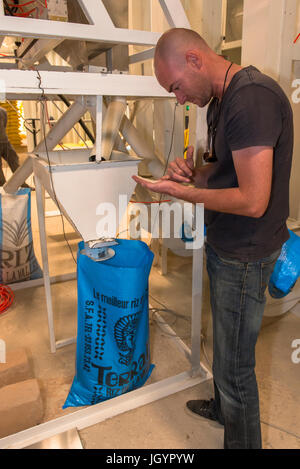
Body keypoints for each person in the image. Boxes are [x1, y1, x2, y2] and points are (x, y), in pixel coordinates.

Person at [132, 28, 293, 449]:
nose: (179, 99)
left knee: (236, 367)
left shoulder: (252, 100)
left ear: (194, 59)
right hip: (226, 242)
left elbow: (254, 199)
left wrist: (184, 193)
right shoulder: (220, 102)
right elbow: (226, 172)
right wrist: (193, 175)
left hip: (247, 252)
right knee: (225, 344)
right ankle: (223, 409)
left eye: (176, 87)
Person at [0, 106, 29, 188]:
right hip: (4, 140)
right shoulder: (3, 110)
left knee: (14, 160)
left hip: (5, 141)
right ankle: (2, 187)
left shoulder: (3, 111)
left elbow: (4, 125)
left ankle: (22, 183)